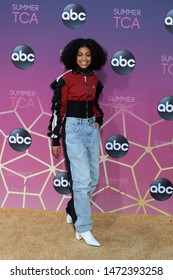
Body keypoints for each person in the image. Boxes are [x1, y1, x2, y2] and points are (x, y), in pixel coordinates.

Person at [48, 38, 107, 246]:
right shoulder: (65, 79)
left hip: (91, 130)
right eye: (80, 54)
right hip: (73, 130)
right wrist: (55, 137)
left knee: (92, 180)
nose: (84, 58)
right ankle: (83, 228)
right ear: (73, 56)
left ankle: (73, 210)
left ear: (94, 57)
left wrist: (98, 120)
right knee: (81, 182)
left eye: (88, 55)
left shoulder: (94, 80)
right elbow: (57, 110)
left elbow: (95, 106)